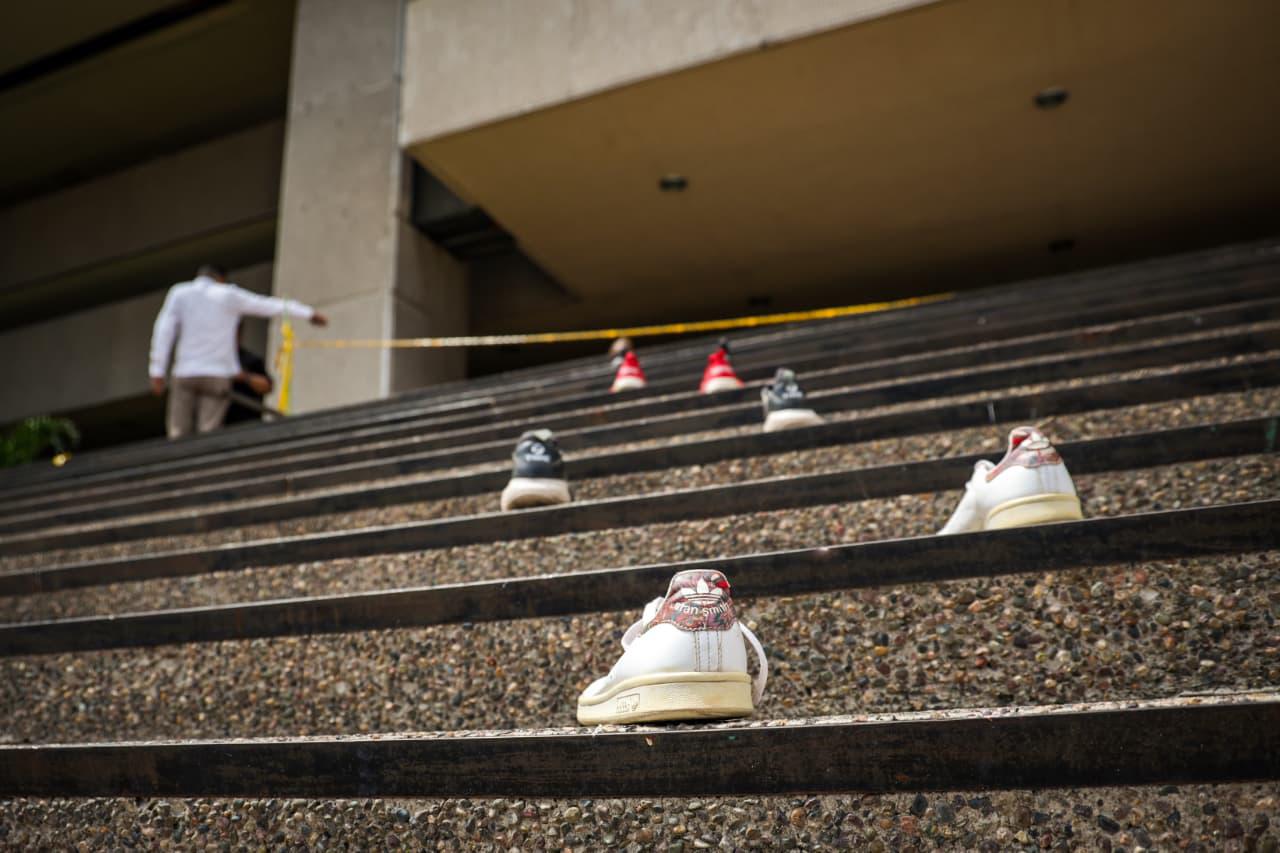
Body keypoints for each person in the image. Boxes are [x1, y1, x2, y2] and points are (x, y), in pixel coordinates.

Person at [148, 264, 327, 438]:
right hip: (217, 373)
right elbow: (266, 305)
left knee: (178, 430)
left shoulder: (180, 293)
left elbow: (164, 330)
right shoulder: (228, 295)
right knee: (208, 431)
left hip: (185, 371)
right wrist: (308, 313)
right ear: (221, 278)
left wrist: (157, 370)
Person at [225, 323, 274, 425]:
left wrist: (243, 377)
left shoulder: (251, 360)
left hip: (246, 422)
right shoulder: (211, 360)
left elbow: (267, 386)